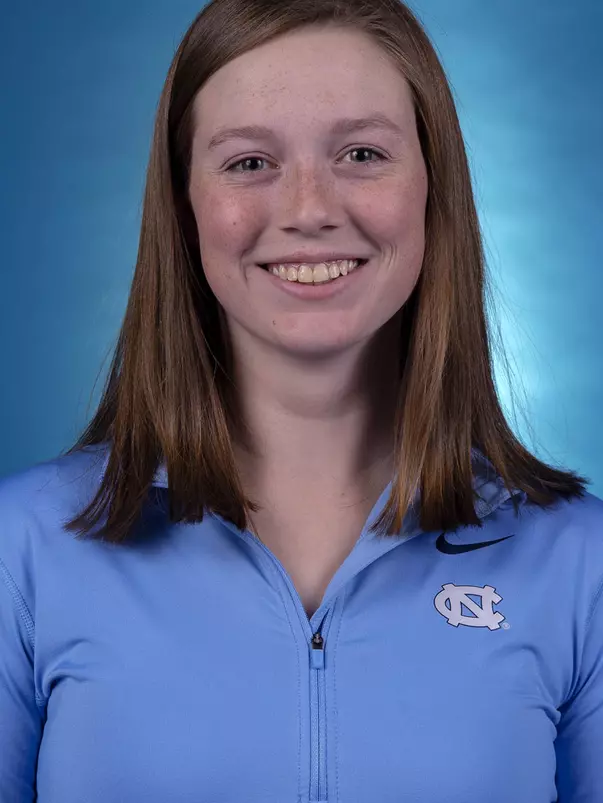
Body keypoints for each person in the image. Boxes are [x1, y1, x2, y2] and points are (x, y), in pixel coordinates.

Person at [1, 0, 601, 800]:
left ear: (433, 188)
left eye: (360, 152)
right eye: (249, 162)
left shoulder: (580, 565)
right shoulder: (23, 552)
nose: (310, 208)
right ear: (182, 208)